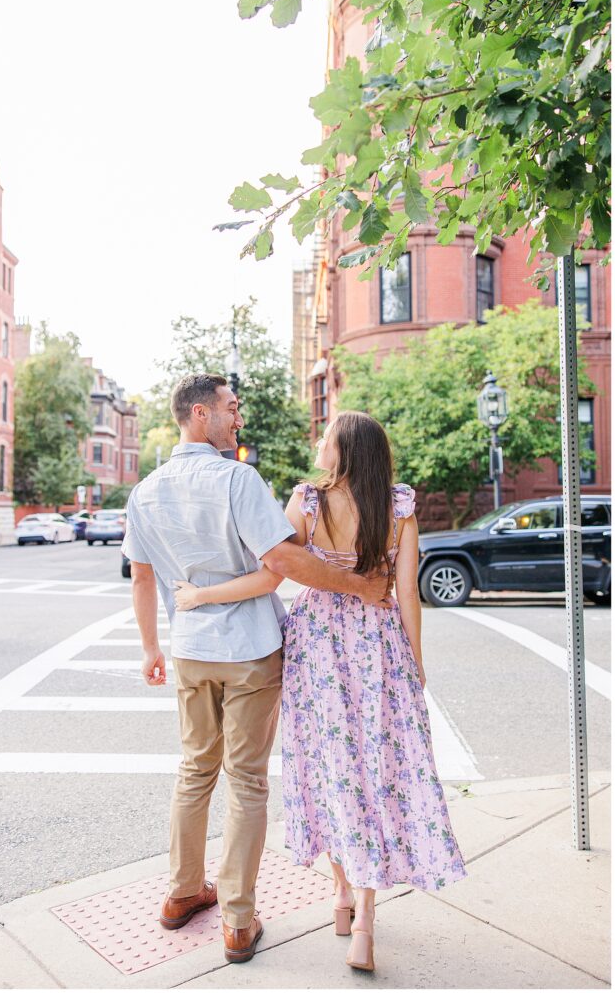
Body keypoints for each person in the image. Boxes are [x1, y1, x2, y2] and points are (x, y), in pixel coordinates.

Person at [174, 410, 468, 972]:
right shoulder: (399, 505)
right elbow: (408, 594)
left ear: (344, 450)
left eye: (326, 436)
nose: (318, 440)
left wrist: (201, 598)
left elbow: (273, 574)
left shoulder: (307, 502)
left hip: (317, 650)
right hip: (378, 647)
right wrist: (415, 665)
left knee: (329, 769)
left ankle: (340, 897)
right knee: (375, 776)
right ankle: (363, 919)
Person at [121, 376, 392, 965]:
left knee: (195, 771)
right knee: (245, 779)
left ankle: (181, 892)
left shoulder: (144, 491)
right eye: (230, 408)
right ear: (200, 414)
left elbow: (142, 578)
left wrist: (151, 649)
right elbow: (280, 561)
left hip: (191, 647)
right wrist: (357, 585)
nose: (237, 418)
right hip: (248, 649)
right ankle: (238, 922)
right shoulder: (237, 479)